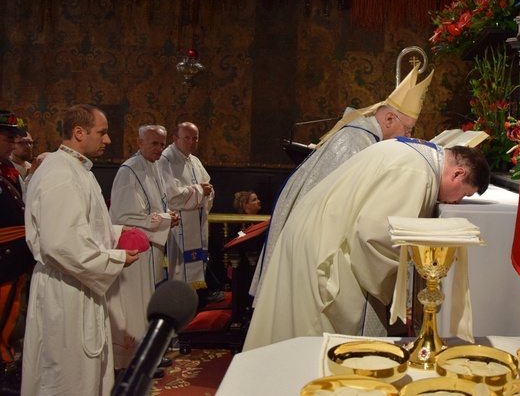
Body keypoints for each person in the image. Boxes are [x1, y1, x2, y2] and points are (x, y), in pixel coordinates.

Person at [243, 138, 489, 351]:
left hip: (315, 235)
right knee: (316, 344)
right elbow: (375, 236)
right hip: (324, 250)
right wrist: (397, 289)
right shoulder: (418, 173)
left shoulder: (415, 154)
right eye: (463, 194)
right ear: (458, 174)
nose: (456, 202)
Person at [250, 64, 434, 326]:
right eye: (408, 129)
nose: (409, 136)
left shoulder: (363, 138)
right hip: (313, 251)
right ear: (389, 119)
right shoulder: (354, 144)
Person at [22, 104, 139, 396]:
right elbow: (61, 245)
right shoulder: (60, 174)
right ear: (78, 132)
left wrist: (116, 233)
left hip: (77, 284)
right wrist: (116, 258)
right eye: (102, 132)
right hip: (66, 290)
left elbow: (82, 227)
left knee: (84, 373)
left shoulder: (75, 168)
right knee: (66, 377)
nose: (108, 140)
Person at [108, 125, 180, 371]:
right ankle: (137, 361)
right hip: (135, 252)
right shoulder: (129, 171)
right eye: (154, 143)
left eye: (161, 144)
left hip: (153, 249)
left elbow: (153, 207)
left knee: (150, 302)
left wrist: (166, 215)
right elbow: (125, 216)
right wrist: (167, 219)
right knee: (138, 305)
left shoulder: (155, 166)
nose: (159, 149)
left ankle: (151, 356)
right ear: (140, 143)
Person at [158, 122, 217, 298]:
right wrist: (200, 191)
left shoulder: (194, 160)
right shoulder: (166, 159)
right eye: (187, 138)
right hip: (179, 225)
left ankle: (195, 298)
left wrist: (207, 192)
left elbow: (208, 187)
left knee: (197, 263)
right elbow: (172, 196)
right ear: (175, 139)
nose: (192, 142)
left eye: (195, 138)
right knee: (179, 268)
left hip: (196, 223)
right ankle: (178, 300)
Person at [0, 111, 35, 389]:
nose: (14, 145)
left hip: (12, 264)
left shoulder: (5, 173)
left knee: (7, 324)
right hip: (3, 262)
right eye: (9, 139)